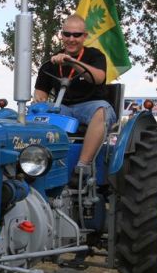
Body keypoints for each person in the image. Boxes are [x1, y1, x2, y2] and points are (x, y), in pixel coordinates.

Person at [33, 14, 112, 173]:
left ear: (85, 37)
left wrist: (72, 62)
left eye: (76, 35)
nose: (71, 39)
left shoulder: (95, 55)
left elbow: (98, 78)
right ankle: (37, 163)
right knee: (37, 112)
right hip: (62, 108)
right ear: (61, 35)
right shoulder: (52, 61)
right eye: (67, 34)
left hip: (89, 107)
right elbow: (40, 93)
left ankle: (82, 167)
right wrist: (39, 102)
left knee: (102, 110)